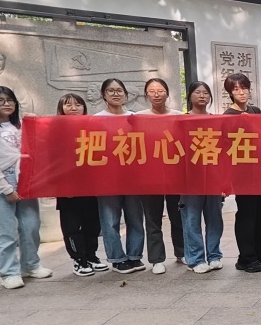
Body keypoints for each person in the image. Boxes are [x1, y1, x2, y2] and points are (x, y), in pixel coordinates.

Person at [0, 85, 51, 289]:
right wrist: (6, 189)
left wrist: (36, 123)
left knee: (31, 226)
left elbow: (39, 143)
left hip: (25, 178)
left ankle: (31, 265)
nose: (6, 104)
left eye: (10, 100)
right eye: (0, 100)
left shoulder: (20, 125)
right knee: (4, 231)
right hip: (2, 180)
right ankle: (9, 272)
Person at [223, 73, 261, 272]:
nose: (241, 92)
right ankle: (246, 257)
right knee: (246, 213)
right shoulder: (228, 116)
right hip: (242, 173)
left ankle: (259, 250)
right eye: (236, 89)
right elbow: (225, 149)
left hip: (259, 170)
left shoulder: (255, 111)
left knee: (260, 212)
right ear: (230, 92)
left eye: (244, 88)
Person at [94, 78, 146, 273]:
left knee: (135, 218)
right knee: (110, 220)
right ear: (103, 95)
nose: (116, 94)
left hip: (133, 177)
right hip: (107, 178)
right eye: (111, 90)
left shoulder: (135, 118)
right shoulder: (96, 119)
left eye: (119, 90)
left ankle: (134, 255)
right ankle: (117, 258)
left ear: (125, 94)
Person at [55, 94, 108, 277]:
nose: (74, 108)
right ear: (61, 109)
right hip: (67, 188)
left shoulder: (92, 128)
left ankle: (91, 256)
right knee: (72, 226)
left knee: (92, 224)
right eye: (68, 105)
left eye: (78, 104)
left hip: (89, 186)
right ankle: (78, 259)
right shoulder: (55, 130)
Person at [135, 78, 184, 274]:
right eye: (152, 91)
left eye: (160, 90)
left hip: (174, 175)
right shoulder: (138, 117)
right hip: (149, 176)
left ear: (167, 93)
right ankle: (157, 259)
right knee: (152, 219)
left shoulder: (179, 116)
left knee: (177, 216)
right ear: (146, 95)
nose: (156, 94)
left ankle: (182, 252)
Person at [180, 81, 225, 273]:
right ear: (190, 96)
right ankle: (195, 259)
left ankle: (214, 255)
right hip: (189, 179)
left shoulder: (217, 121)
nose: (202, 96)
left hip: (213, 177)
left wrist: (224, 180)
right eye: (197, 92)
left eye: (205, 93)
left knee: (215, 218)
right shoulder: (181, 121)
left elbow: (224, 152)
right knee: (191, 219)